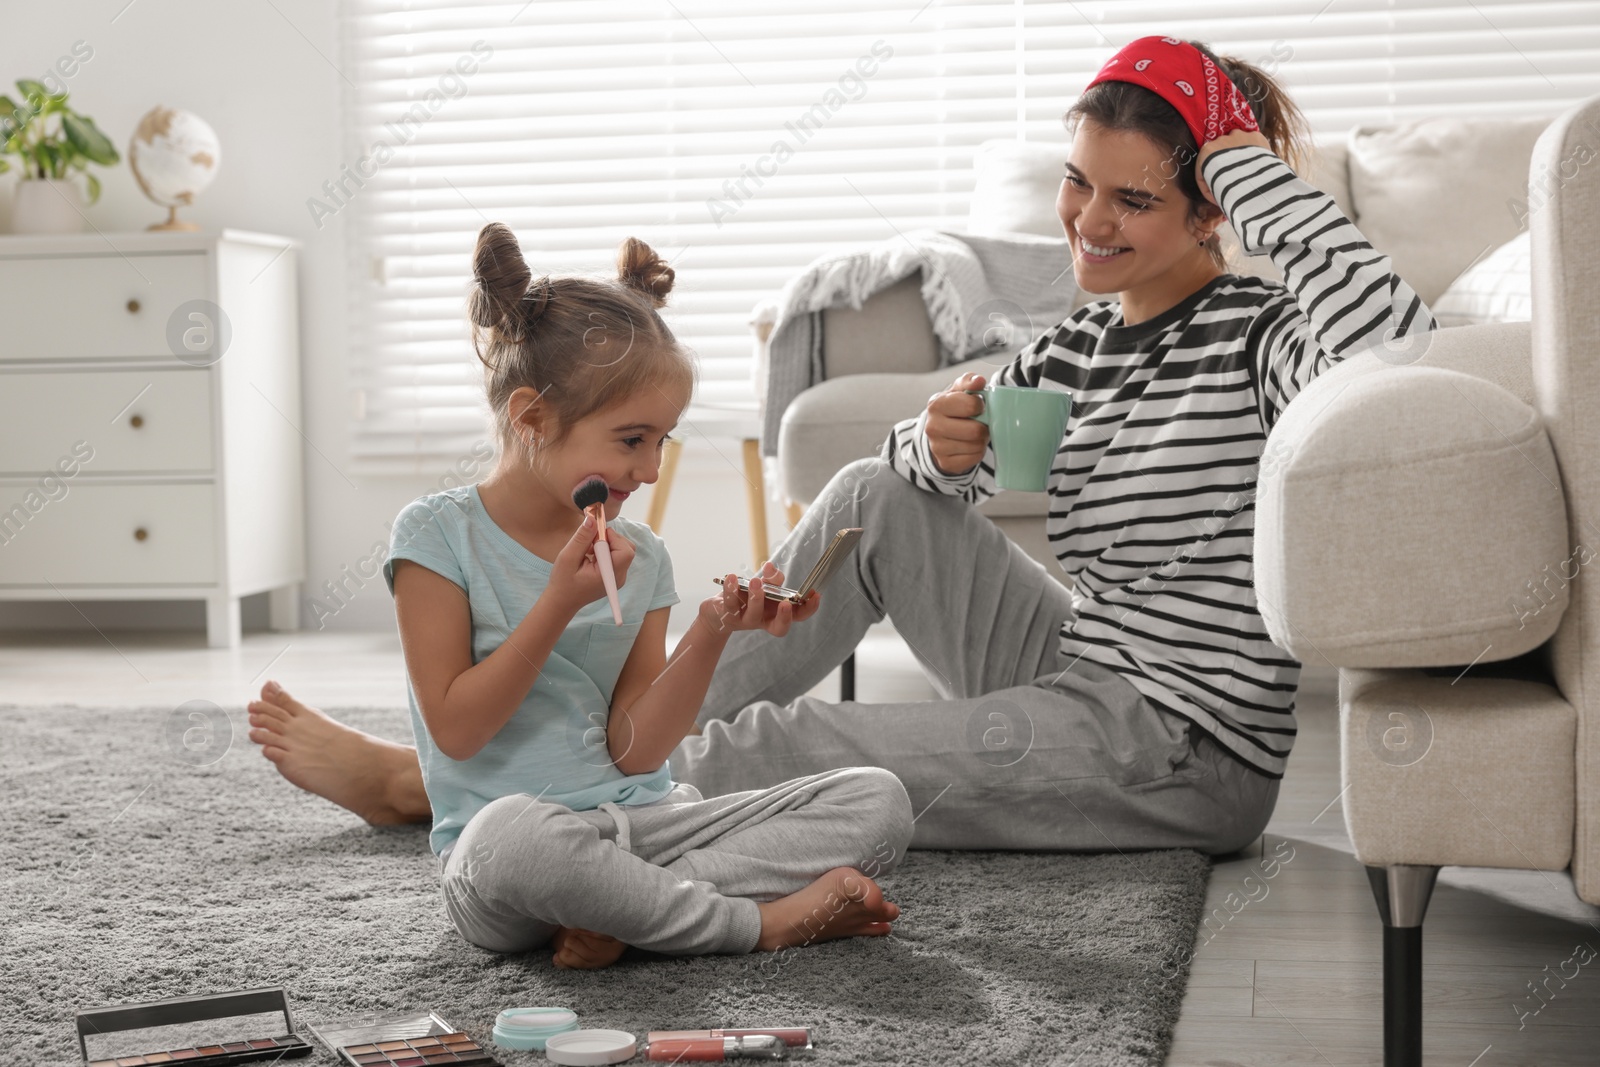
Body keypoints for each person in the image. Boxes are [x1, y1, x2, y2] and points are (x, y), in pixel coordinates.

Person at [249, 35, 1431, 863]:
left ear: (1211, 208)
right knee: (870, 490)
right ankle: (592, 747)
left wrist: (1241, 158)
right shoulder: (1078, 343)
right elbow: (915, 472)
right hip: (1080, 663)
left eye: (1132, 200)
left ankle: (457, 784)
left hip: (1180, 744)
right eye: (1079, 184)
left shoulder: (1266, 337)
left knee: (794, 745)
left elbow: (1398, 355)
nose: (1088, 222)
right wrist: (938, 443)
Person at [290, 220, 915, 970]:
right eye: (631, 439)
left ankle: (626, 908)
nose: (650, 470)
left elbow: (636, 749)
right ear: (531, 418)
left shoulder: (643, 556)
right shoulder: (436, 536)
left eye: (664, 442)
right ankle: (757, 924)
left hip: (649, 826)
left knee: (878, 801)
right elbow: (457, 730)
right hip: (509, 861)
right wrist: (556, 602)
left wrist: (713, 629)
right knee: (508, 836)